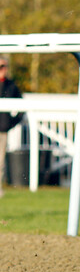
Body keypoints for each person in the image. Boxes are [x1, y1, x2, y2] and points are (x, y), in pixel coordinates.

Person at [0, 56, 23, 197]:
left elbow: (21, 108)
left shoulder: (11, 86)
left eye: (3, 66)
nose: (2, 70)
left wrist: (10, 123)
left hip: (1, 130)